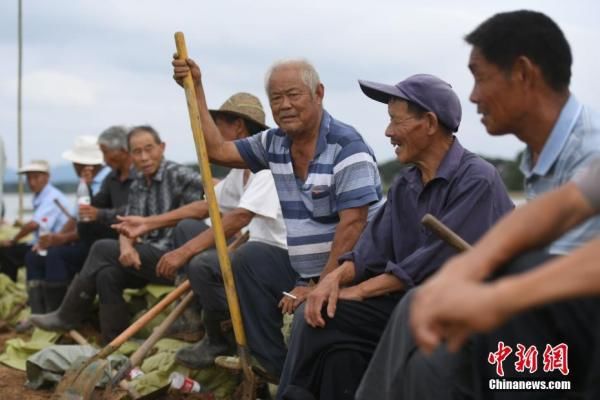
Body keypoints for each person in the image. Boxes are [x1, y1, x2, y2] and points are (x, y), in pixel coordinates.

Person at [357, 10, 600, 400]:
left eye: (480, 77)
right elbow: (565, 205)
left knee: (442, 358)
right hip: (553, 321)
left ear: (522, 73)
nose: (472, 96)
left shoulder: (590, 145)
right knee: (425, 338)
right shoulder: (549, 156)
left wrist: (497, 297)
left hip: (575, 341)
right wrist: (470, 266)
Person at [276, 74, 514, 400]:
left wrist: (356, 292)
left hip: (462, 317)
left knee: (330, 314)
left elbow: (429, 266)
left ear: (429, 123)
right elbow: (369, 250)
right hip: (407, 307)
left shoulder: (477, 180)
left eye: (394, 121)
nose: (388, 132)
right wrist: (333, 280)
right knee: (327, 331)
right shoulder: (405, 184)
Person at [172, 57, 384, 378]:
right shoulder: (275, 143)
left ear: (318, 94)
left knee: (306, 318)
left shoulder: (346, 147)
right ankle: (276, 367)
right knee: (249, 258)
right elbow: (216, 150)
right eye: (276, 98)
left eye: (293, 95)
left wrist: (317, 285)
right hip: (306, 271)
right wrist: (196, 88)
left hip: (352, 271)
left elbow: (353, 225)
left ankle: (300, 375)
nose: (284, 105)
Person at [114, 92, 288, 369]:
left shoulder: (265, 169)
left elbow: (238, 218)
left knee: (202, 264)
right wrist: (149, 223)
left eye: (218, 126)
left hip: (272, 257)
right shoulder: (238, 172)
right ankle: (194, 318)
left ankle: (221, 335)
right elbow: (204, 208)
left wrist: (182, 254)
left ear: (238, 127)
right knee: (187, 227)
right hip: (250, 250)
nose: (213, 134)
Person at [30, 126, 203, 343]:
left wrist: (151, 222)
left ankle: (67, 315)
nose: (144, 157)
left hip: (175, 259)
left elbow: (213, 200)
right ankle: (115, 340)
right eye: (137, 152)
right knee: (107, 274)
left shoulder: (177, 174)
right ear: (131, 155)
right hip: (151, 257)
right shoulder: (139, 183)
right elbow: (127, 223)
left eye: (149, 149)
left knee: (101, 247)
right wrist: (126, 247)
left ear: (162, 148)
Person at [22, 130, 133, 319]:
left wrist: (61, 239)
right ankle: (39, 314)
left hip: (104, 241)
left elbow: (98, 216)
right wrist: (56, 239)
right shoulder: (100, 181)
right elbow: (79, 217)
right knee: (34, 257)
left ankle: (61, 314)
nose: (73, 165)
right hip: (89, 240)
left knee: (56, 256)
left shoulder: (109, 178)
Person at [0, 160, 69, 282]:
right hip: (43, 240)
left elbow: (33, 225)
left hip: (54, 242)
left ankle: (13, 284)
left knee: (8, 252)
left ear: (47, 177)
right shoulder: (42, 195)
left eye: (36, 177)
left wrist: (14, 240)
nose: (31, 182)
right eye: (29, 178)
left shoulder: (51, 197)